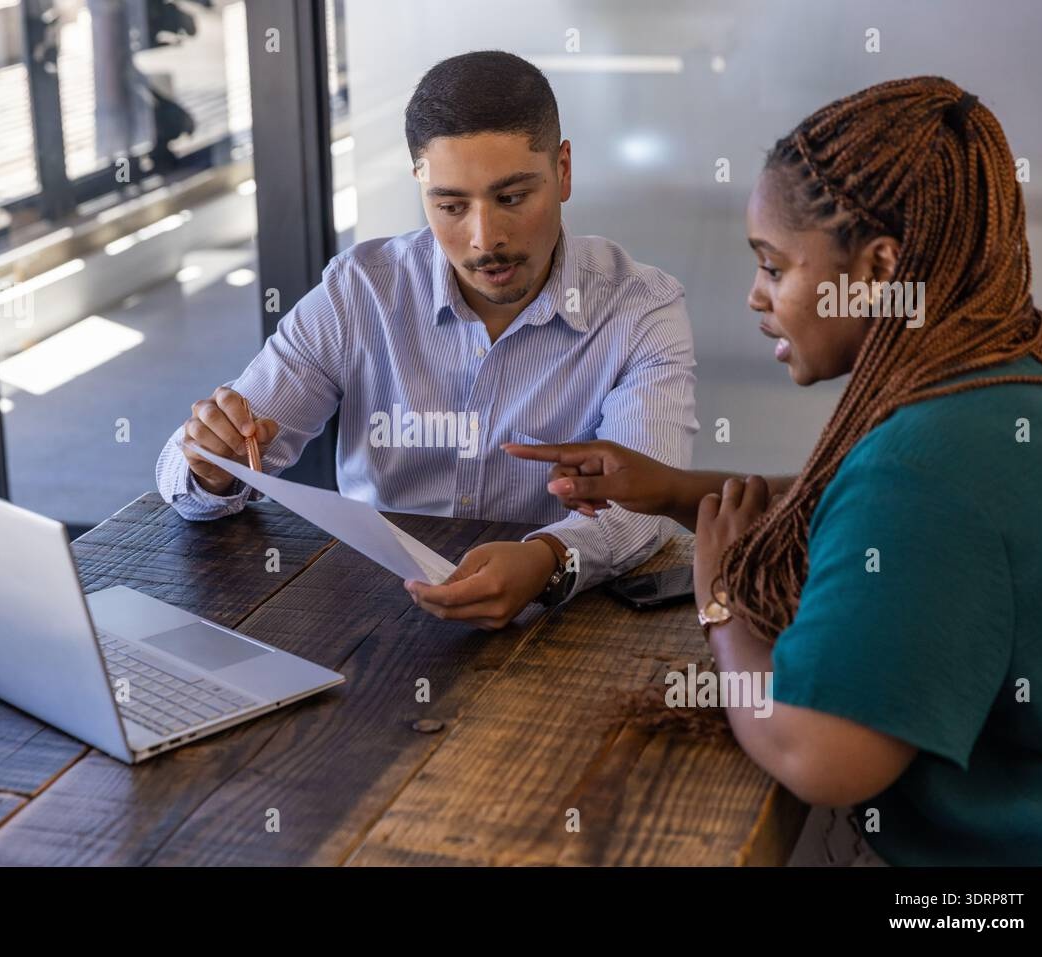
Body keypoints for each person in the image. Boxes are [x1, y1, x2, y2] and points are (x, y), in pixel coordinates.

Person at [506, 76, 1042, 866]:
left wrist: (721, 602)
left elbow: (820, 754)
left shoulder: (921, 470)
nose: (755, 296)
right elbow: (870, 516)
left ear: (877, 269)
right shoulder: (1016, 365)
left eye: (774, 266)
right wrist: (674, 489)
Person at [156, 51, 698, 628]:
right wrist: (212, 469)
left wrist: (548, 560)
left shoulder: (640, 307)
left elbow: (648, 501)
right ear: (421, 187)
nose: (485, 239)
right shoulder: (361, 292)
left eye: (512, 197)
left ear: (562, 171)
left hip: (560, 621)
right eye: (451, 205)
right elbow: (188, 468)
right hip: (372, 612)